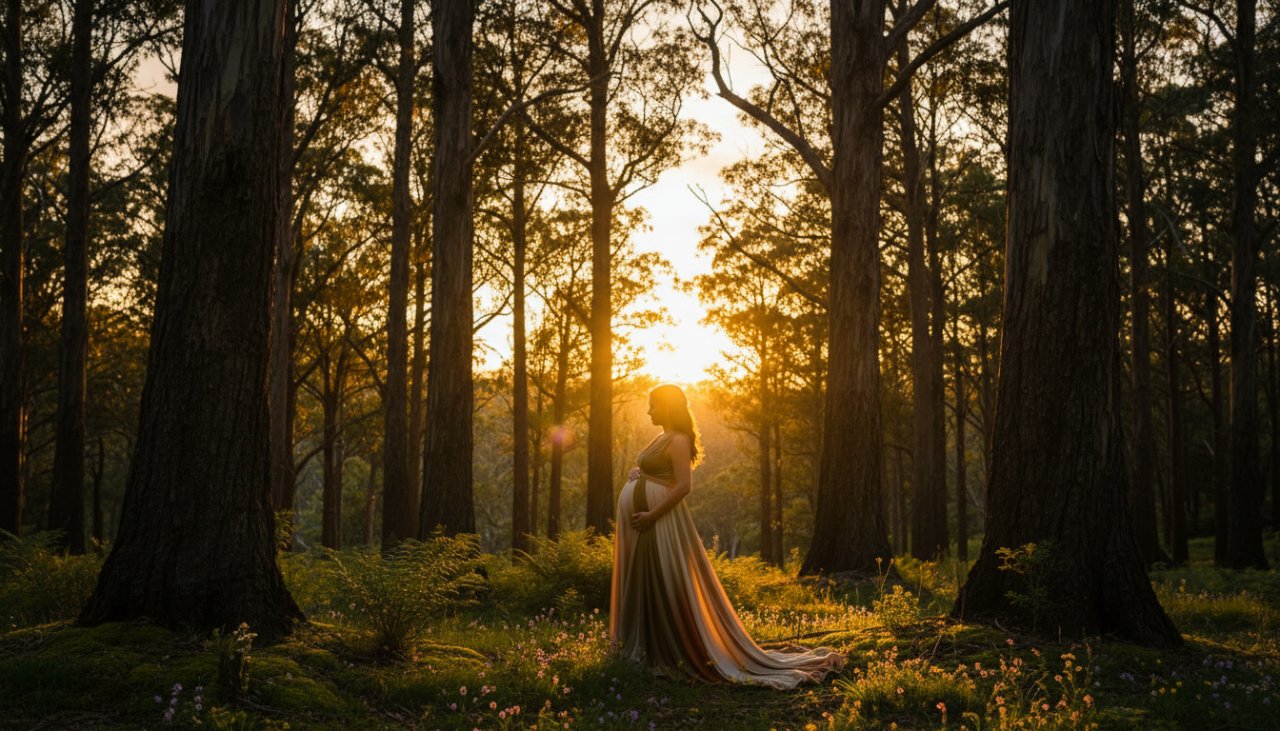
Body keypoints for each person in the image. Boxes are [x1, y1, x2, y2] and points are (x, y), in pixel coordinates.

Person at [609, 384, 846, 689]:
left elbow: (683, 486)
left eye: (653, 405)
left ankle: (669, 651)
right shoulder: (661, 437)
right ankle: (647, 650)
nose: (648, 411)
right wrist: (638, 474)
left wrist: (652, 515)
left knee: (663, 581)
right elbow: (658, 472)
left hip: (660, 523)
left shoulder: (678, 439)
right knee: (647, 581)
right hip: (647, 524)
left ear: (667, 407)